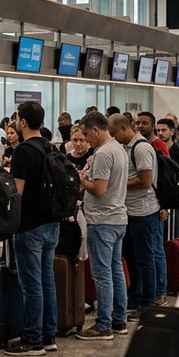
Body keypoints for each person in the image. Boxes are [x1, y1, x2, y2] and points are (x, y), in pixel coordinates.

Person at [6, 102, 60, 357]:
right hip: (52, 223)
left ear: (23, 122)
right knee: (47, 280)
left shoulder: (23, 151)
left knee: (31, 284)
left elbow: (17, 192)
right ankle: (49, 335)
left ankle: (32, 339)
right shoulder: (50, 147)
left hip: (30, 226)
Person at [75, 112, 129, 340]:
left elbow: (99, 189)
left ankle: (103, 324)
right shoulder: (118, 149)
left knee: (102, 274)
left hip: (102, 220)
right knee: (115, 270)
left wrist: (82, 180)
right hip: (117, 218)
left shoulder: (104, 153)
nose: (86, 140)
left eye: (87, 135)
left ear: (96, 130)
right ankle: (119, 320)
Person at [110, 114, 166, 319]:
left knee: (146, 259)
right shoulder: (124, 147)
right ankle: (134, 299)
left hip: (144, 212)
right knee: (131, 258)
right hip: (129, 212)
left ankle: (148, 303)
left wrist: (118, 183)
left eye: (115, 133)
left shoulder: (141, 148)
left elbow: (145, 181)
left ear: (124, 128)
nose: (114, 138)